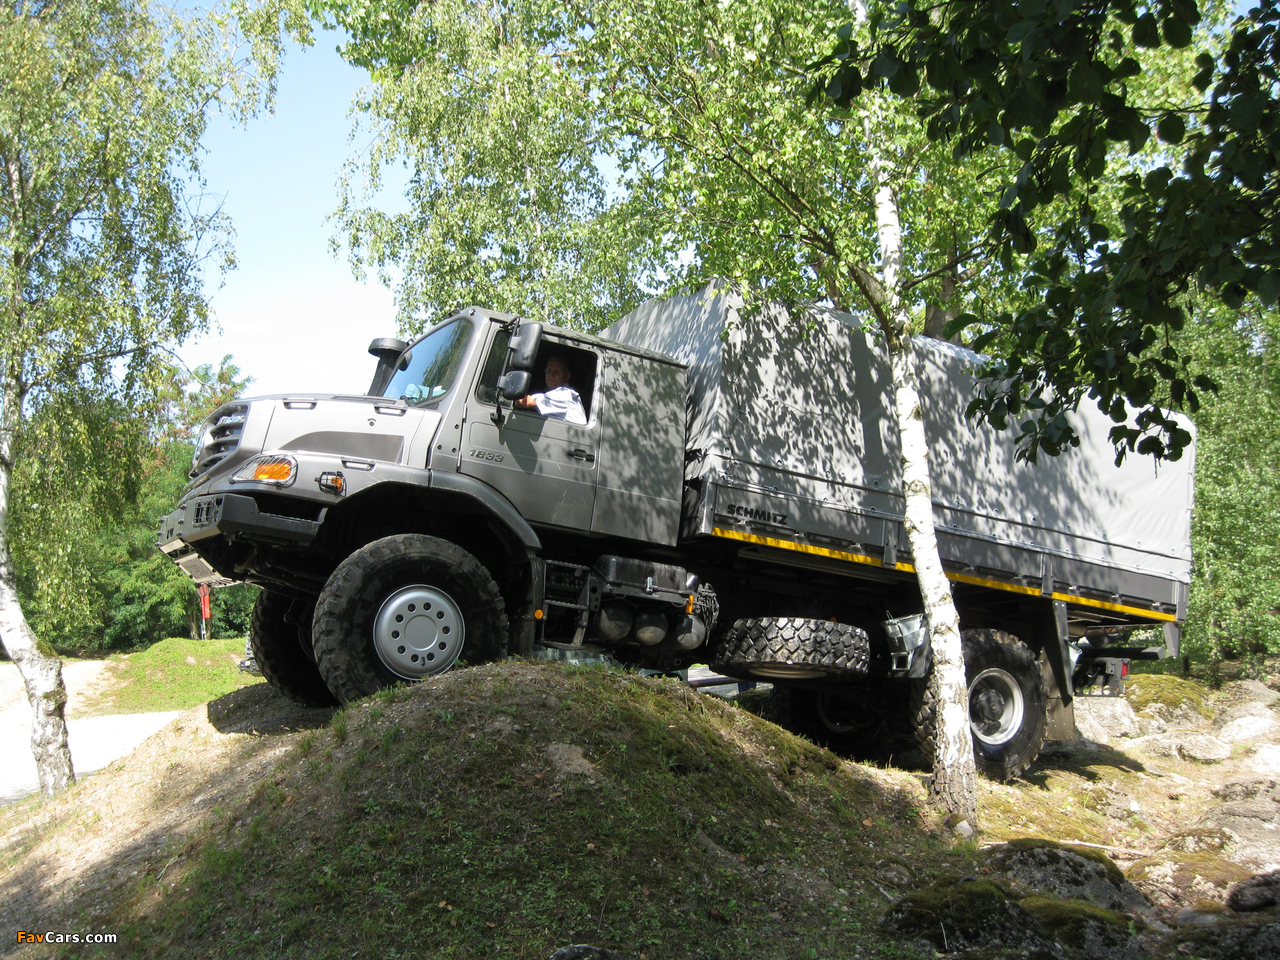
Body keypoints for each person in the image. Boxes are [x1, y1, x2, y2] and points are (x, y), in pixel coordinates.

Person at [515, 354, 588, 424]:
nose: (551, 375)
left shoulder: (565, 394)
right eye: (549, 370)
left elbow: (527, 402)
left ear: (567, 376)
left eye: (556, 372)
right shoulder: (555, 393)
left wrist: (508, 399)